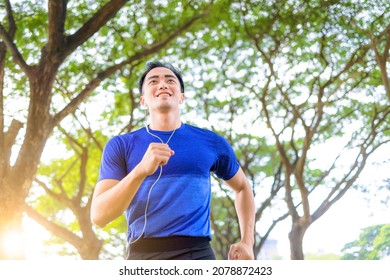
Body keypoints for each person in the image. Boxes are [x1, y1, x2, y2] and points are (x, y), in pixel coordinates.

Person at [91, 61, 255, 260]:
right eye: (153, 81)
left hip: (197, 254)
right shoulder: (120, 145)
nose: (162, 84)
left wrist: (247, 242)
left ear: (181, 97)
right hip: (142, 256)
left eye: (170, 80)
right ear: (143, 101)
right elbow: (99, 216)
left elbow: (242, 187)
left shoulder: (211, 142)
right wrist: (140, 170)